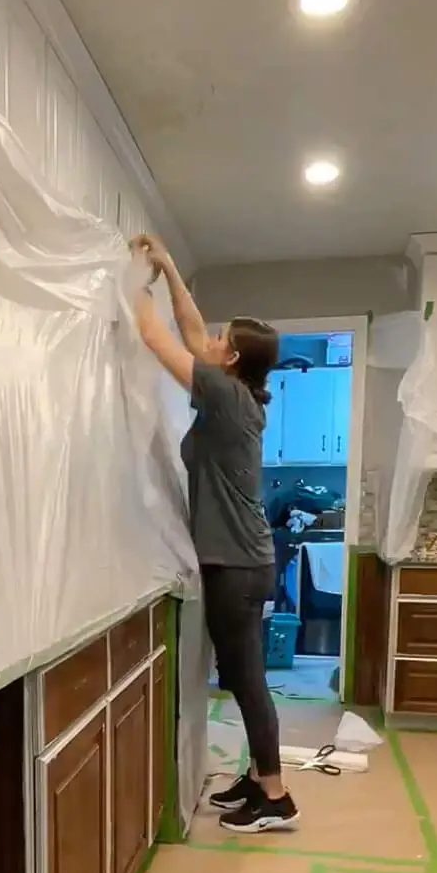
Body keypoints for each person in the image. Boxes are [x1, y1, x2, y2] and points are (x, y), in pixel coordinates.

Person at [131, 234, 298, 832]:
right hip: (240, 559)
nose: (213, 342)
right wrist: (171, 267)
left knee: (247, 679)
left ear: (231, 361)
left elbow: (157, 338)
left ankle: (275, 797)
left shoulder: (225, 397)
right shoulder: (237, 390)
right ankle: (255, 781)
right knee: (240, 673)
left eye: (224, 341)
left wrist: (126, 282)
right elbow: (191, 328)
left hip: (236, 563)